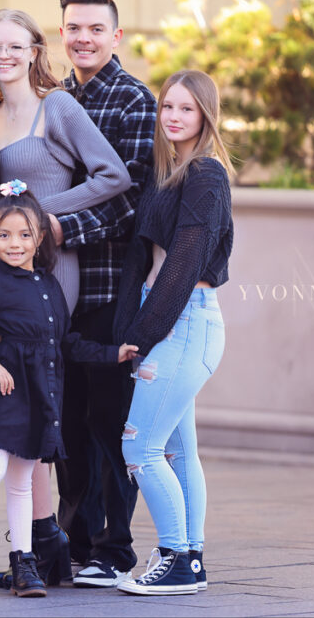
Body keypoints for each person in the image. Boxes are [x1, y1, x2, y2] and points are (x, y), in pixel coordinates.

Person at [0, 182, 138, 599]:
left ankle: (24, 564)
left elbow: (67, 343)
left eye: (24, 234)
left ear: (40, 238)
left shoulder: (49, 286)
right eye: (4, 235)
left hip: (37, 398)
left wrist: (113, 354)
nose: (14, 244)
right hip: (5, 394)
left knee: (21, 481)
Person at [0, 8, 130, 587]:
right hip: (3, 279)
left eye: (15, 45)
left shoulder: (58, 107)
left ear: (37, 49)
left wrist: (42, 215)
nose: (4, 55)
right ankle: (43, 544)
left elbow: (113, 176)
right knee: (23, 407)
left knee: (40, 402)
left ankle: (44, 546)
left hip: (52, 274)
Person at [51, 0, 159, 589]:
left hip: (109, 288)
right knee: (65, 421)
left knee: (108, 421)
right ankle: (75, 540)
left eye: (95, 29)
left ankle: (114, 548)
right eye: (73, 28)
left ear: (115, 36)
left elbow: (128, 203)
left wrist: (54, 229)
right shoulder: (56, 98)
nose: (83, 38)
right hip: (59, 291)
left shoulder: (133, 100)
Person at [113, 70, 233, 596]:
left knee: (140, 448)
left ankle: (176, 556)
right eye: (168, 107)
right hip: (171, 319)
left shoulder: (206, 175)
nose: (174, 117)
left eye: (187, 109)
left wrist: (140, 335)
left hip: (183, 321)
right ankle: (191, 558)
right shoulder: (169, 172)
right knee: (180, 452)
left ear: (206, 116)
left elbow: (183, 267)